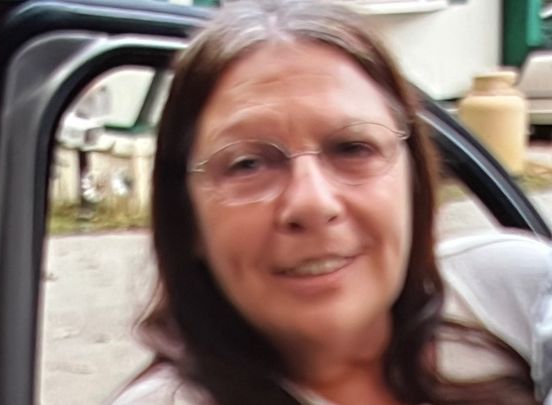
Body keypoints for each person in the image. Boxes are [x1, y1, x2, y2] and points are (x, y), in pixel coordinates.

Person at [111, 0, 552, 403]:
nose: (312, 202)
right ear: (186, 216)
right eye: (248, 164)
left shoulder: (514, 294)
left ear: (414, 179)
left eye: (352, 148)